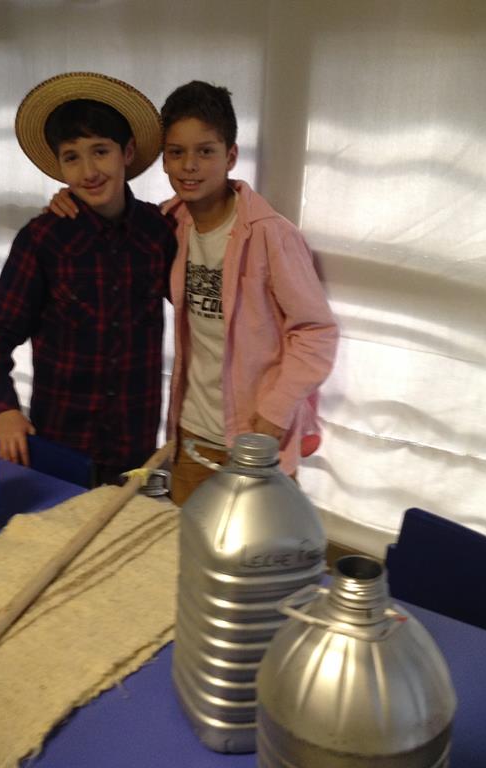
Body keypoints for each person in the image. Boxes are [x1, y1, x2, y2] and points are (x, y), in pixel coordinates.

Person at [50, 81, 338, 503]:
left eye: (205, 151)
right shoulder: (167, 225)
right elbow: (113, 226)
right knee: (186, 541)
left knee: (259, 544)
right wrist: (71, 200)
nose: (189, 166)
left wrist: (275, 414)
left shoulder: (270, 235)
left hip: (256, 438)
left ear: (230, 156)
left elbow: (316, 333)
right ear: (163, 159)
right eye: (176, 152)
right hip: (190, 436)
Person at [0, 72, 177, 485]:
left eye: (100, 151)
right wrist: (5, 409)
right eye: (72, 157)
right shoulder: (43, 240)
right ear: (60, 167)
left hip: (136, 446)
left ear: (127, 152)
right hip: (61, 446)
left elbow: (202, 310)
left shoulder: (159, 231)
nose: (88, 171)